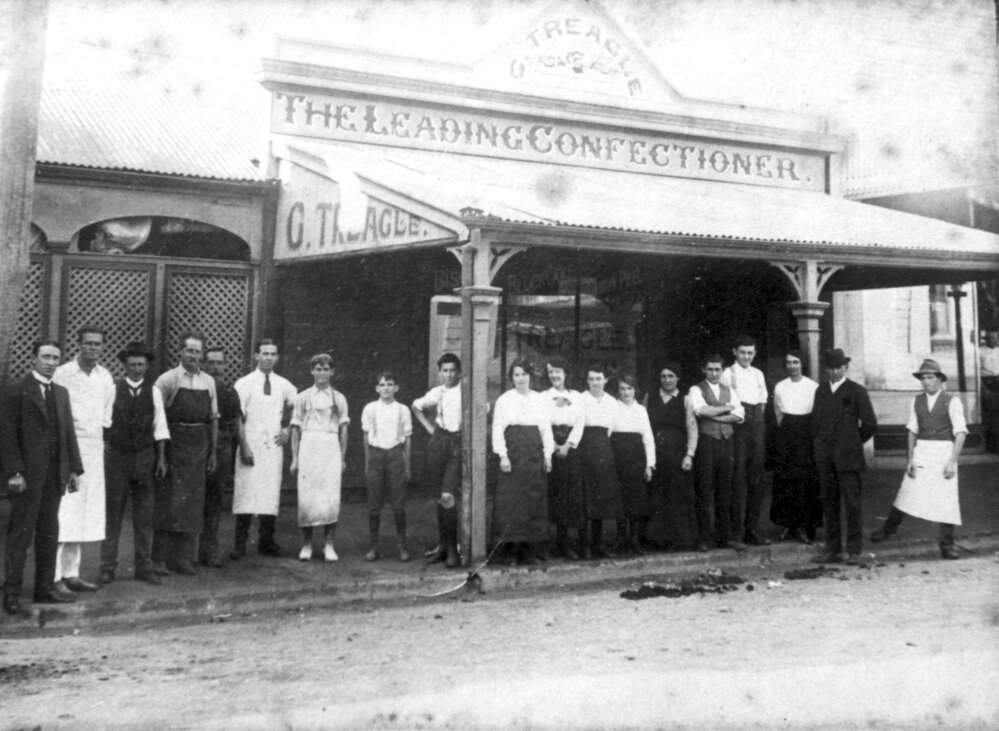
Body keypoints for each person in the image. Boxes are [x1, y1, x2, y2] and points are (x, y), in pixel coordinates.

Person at [2, 340, 84, 614]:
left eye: (55, 358)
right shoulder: (16, 389)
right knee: (20, 536)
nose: (50, 362)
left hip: (54, 476)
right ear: (33, 358)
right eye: (46, 357)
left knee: (50, 534)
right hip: (26, 477)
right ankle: (11, 594)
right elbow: (7, 433)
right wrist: (14, 472)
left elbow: (68, 433)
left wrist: (73, 469)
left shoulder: (60, 392)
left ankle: (44, 590)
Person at [869, 359, 967, 559]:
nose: (926, 382)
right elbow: (912, 431)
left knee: (946, 499)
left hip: (943, 453)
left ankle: (946, 545)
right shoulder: (916, 401)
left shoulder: (952, 401)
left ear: (940, 379)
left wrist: (952, 462)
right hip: (922, 450)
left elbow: (961, 433)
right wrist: (910, 459)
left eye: (930, 377)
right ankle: (889, 529)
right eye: (923, 378)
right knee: (907, 490)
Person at [99, 342, 169, 586]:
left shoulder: (154, 392)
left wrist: (160, 457)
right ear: (125, 366)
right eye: (132, 365)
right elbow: (104, 420)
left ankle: (143, 566)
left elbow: (160, 426)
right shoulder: (113, 388)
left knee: (144, 517)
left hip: (145, 459)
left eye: (141, 364)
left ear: (147, 365)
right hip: (118, 459)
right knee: (113, 514)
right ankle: (107, 566)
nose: (137, 369)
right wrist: (105, 444)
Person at [51, 325, 115, 593]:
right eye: (88, 343)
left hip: (93, 449)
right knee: (64, 512)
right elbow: (55, 413)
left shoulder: (105, 376)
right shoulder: (63, 373)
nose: (92, 348)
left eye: (97, 344)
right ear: (79, 344)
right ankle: (53, 577)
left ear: (103, 347)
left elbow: (105, 416)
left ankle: (72, 573)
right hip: (68, 447)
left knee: (85, 512)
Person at [153, 331, 219, 576]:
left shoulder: (208, 382)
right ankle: (158, 559)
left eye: (197, 351)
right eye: (189, 350)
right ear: (180, 351)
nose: (193, 355)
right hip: (174, 445)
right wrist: (161, 454)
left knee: (192, 503)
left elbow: (213, 420)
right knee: (168, 503)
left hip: (199, 447)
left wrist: (212, 453)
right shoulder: (167, 380)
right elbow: (158, 418)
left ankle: (182, 559)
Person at [811, 348, 878, 565]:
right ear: (826, 369)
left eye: (839, 368)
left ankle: (854, 551)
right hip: (826, 458)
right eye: (830, 368)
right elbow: (816, 422)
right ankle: (833, 550)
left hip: (849, 458)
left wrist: (852, 442)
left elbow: (870, 424)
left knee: (852, 504)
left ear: (845, 367)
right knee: (829, 504)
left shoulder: (856, 391)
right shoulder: (820, 391)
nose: (835, 372)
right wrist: (820, 446)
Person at [231, 339, 297, 559]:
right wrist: (244, 446)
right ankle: (240, 544)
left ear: (277, 357)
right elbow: (237, 418)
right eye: (265, 353)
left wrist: (287, 429)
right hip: (250, 444)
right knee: (247, 491)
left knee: (270, 492)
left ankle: (266, 542)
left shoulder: (284, 384)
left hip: (272, 447)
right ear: (256, 355)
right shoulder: (244, 383)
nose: (269, 357)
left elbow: (297, 408)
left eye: (273, 353)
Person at [491, 359, 554, 566]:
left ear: (530, 376)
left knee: (532, 501)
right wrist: (503, 455)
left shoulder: (539, 399)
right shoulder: (504, 400)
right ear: (511, 377)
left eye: (524, 374)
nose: (520, 378)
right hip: (513, 453)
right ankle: (509, 551)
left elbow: (545, 428)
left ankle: (528, 551)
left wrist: (547, 455)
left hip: (534, 453)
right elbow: (497, 429)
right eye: (516, 375)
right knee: (511, 503)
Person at [289, 353, 349, 562]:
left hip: (329, 447)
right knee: (307, 497)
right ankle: (306, 544)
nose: (322, 373)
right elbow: (295, 429)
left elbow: (343, 430)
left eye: (326, 369)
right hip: (309, 447)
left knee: (330, 498)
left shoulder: (339, 398)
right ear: (312, 371)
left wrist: (341, 457)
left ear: (332, 372)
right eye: (318, 368)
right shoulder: (302, 397)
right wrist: (295, 458)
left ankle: (329, 545)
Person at [689, 353, 746, 553]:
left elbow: (740, 414)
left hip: (726, 442)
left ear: (722, 371)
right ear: (704, 370)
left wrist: (719, 415)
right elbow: (700, 410)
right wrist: (726, 409)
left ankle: (726, 537)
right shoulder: (696, 389)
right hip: (706, 442)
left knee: (725, 489)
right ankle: (704, 537)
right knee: (704, 489)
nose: (714, 373)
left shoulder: (728, 389)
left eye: (717, 370)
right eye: (710, 369)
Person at [412, 353, 463, 569]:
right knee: (439, 496)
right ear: (439, 372)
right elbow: (416, 406)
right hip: (439, 441)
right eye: (445, 370)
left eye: (453, 370)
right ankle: (443, 547)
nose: (449, 374)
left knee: (448, 495)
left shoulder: (465, 391)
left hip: (458, 443)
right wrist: (430, 428)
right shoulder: (438, 392)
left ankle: (453, 549)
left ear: (458, 371)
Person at [720, 334, 771, 546]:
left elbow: (762, 403)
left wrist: (757, 427)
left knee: (756, 479)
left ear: (755, 353)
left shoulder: (758, 374)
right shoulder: (726, 374)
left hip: (756, 427)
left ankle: (752, 529)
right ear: (734, 352)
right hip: (737, 428)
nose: (746, 357)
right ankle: (735, 532)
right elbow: (725, 404)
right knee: (737, 479)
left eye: (750, 353)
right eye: (742, 352)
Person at [200, 346, 247, 568]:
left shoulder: (229, 392)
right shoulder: (197, 388)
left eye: (220, 363)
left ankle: (209, 551)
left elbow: (236, 422)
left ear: (225, 365)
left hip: (221, 451)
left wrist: (242, 446)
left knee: (214, 501)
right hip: (197, 449)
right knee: (192, 501)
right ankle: (185, 553)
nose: (216, 367)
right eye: (211, 363)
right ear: (204, 364)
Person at [644, 363, 698, 551]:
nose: (667, 380)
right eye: (664, 376)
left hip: (677, 453)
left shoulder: (685, 399)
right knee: (657, 495)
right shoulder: (650, 397)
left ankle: (677, 540)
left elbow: (692, 428)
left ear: (678, 378)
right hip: (656, 452)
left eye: (671, 376)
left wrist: (689, 454)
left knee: (676, 496)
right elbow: (643, 426)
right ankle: (656, 540)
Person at [770, 350, 821, 544]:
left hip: (806, 436)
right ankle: (787, 525)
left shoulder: (812, 386)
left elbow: (815, 414)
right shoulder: (780, 386)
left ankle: (804, 525)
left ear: (802, 364)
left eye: (796, 362)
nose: (792, 366)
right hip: (787, 435)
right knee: (786, 480)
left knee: (805, 480)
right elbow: (778, 413)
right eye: (789, 363)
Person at [361, 371, 412, 562]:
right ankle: (373, 546)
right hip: (376, 455)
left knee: (398, 504)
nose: (386, 388)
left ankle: (402, 545)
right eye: (382, 385)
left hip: (395, 455)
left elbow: (407, 439)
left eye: (390, 384)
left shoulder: (403, 409)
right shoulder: (370, 408)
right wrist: (368, 463)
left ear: (396, 388)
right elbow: (366, 438)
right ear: (377, 388)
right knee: (374, 505)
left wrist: (407, 466)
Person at [577, 363, 622, 558]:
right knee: (585, 496)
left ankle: (598, 543)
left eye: (599, 378)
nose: (595, 382)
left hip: (604, 449)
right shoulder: (580, 399)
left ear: (606, 380)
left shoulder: (612, 401)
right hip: (584, 446)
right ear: (587, 381)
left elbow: (611, 428)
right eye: (592, 379)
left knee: (601, 497)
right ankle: (584, 544)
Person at [543, 356, 585, 559]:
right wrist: (553, 447)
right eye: (550, 372)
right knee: (555, 493)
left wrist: (568, 445)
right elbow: (542, 424)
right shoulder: (543, 397)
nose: (554, 376)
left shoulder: (576, 396)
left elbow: (580, 422)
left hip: (571, 447)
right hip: (551, 444)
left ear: (565, 374)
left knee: (570, 495)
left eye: (557, 372)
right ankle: (553, 543)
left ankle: (567, 542)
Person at [611, 374, 655, 554]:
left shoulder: (641, 410)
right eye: (622, 388)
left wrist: (649, 464)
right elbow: (607, 432)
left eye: (629, 388)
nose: (626, 392)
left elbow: (648, 438)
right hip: (618, 456)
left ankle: (634, 538)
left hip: (637, 459)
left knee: (636, 499)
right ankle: (621, 537)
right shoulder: (613, 407)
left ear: (635, 390)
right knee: (620, 498)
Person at [980, 330, 999, 453]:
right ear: (986, 339)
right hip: (987, 383)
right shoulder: (980, 351)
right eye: (991, 338)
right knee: (991, 415)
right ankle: (991, 446)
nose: (993, 340)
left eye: (995, 338)